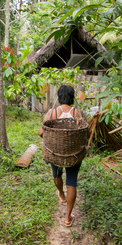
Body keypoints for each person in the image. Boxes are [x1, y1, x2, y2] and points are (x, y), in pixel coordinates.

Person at [38, 85, 86, 227]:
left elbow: (41, 132)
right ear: (72, 98)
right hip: (74, 154)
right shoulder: (78, 113)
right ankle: (67, 217)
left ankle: (61, 193)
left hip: (56, 153)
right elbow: (86, 132)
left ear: (59, 98)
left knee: (56, 174)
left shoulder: (52, 112)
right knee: (71, 182)